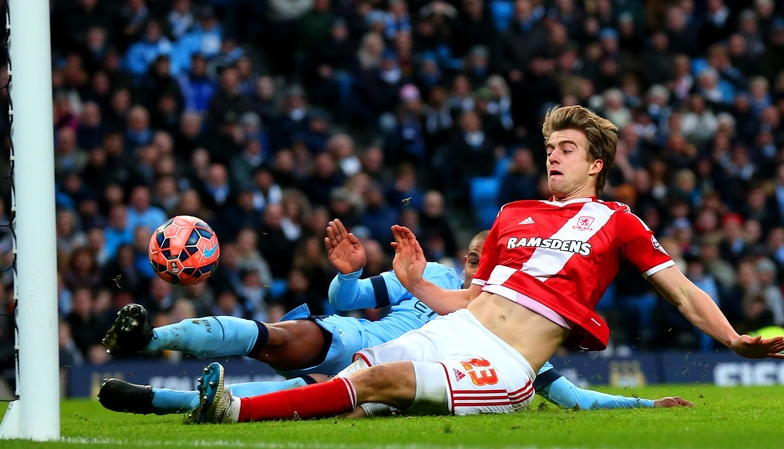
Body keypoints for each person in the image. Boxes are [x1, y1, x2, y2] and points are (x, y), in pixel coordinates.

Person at [189, 105, 784, 424]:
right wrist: (415, 282)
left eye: (567, 149)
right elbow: (471, 298)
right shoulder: (511, 214)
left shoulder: (617, 221)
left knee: (373, 384)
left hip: (505, 362)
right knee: (355, 384)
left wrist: (732, 338)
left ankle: (230, 410)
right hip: (459, 328)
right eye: (549, 148)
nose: (553, 157)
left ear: (596, 164)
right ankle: (194, 404)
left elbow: (681, 291)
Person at [99, 219, 688, 415]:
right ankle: (151, 336)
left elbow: (571, 395)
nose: (479, 268)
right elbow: (346, 299)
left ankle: (155, 400)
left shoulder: (510, 320)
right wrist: (349, 273)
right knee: (274, 336)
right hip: (359, 335)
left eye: (489, 261)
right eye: (474, 259)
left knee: (297, 392)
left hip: (395, 366)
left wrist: (641, 405)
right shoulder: (436, 279)